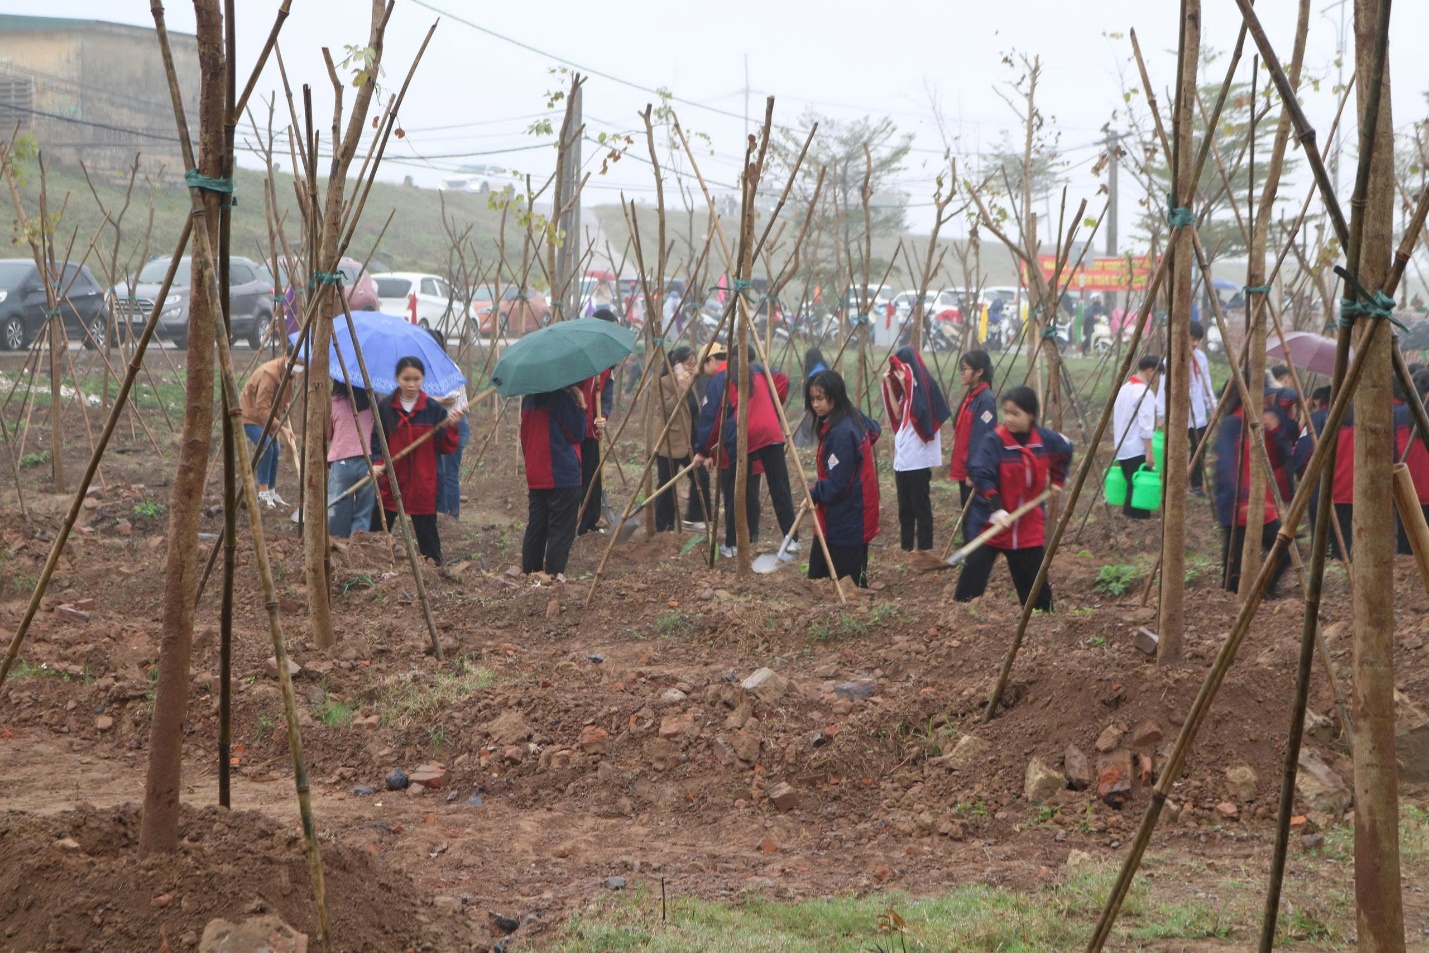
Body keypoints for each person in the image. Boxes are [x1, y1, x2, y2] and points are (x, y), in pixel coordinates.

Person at [955, 386, 1073, 609]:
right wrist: (996, 508)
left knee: (1037, 595)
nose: (1009, 418)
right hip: (989, 525)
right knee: (969, 589)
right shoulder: (994, 442)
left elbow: (1066, 449)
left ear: (1031, 415)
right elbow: (981, 473)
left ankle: (1043, 626)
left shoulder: (1046, 441)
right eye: (1006, 412)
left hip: (1027, 526)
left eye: (1015, 413)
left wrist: (1057, 479)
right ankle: (958, 620)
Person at [693, 345, 795, 558]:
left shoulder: (721, 379)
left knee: (735, 492)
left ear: (713, 361)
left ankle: (731, 545)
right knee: (780, 488)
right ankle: (792, 540)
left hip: (744, 438)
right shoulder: (757, 369)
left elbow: (712, 420)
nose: (705, 373)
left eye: (704, 366)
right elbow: (783, 381)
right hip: (771, 433)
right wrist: (771, 407)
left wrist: (702, 450)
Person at [371, 356, 463, 565]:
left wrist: (452, 427)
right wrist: (377, 465)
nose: (412, 384)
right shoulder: (386, 408)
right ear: (397, 379)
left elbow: (446, 447)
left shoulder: (434, 410)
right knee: (377, 531)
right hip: (393, 480)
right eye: (406, 379)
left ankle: (434, 571)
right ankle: (371, 567)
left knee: (427, 535)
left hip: (423, 482)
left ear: (423, 379)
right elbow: (377, 442)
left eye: (416, 379)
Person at [1213, 384, 1291, 595]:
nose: (1270, 401)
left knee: (1285, 554)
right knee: (1233, 576)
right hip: (1238, 507)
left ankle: (1264, 593)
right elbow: (1227, 465)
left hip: (1264, 506)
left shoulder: (1265, 422)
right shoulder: (1233, 424)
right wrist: (1242, 497)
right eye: (1267, 396)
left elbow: (1281, 459)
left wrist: (1275, 431)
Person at [806, 369, 881, 587]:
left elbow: (838, 484)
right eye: (812, 399)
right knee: (821, 575)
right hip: (845, 512)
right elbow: (874, 429)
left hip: (850, 515)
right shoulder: (850, 415)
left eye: (820, 398)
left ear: (835, 396)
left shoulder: (841, 432)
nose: (815, 405)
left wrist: (814, 493)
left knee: (848, 582)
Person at [882, 346, 949, 551]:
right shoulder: (905, 394)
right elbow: (896, 412)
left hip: (918, 460)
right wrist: (889, 383)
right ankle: (906, 548)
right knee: (905, 508)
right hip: (903, 460)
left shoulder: (924, 393)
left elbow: (919, 411)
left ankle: (925, 549)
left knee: (921, 506)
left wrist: (907, 384)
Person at [520, 384, 588, 577]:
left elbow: (525, 436)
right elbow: (578, 433)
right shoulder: (561, 398)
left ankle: (530, 576)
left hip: (536, 473)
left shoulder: (529, 399)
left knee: (536, 528)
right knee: (560, 531)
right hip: (562, 474)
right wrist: (581, 402)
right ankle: (553, 578)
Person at [646, 346, 711, 532]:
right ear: (676, 364)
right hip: (669, 442)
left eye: (693, 364)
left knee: (701, 478)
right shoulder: (662, 382)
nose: (692, 368)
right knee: (666, 485)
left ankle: (695, 518)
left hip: (691, 442)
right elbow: (667, 410)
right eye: (688, 364)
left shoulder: (695, 382)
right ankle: (664, 526)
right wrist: (681, 389)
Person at [1155, 322, 1216, 498]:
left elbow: (1206, 384)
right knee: (1176, 450)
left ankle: (1196, 485)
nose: (1195, 343)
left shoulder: (1201, 358)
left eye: (1198, 340)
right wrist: (1161, 415)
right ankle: (1173, 484)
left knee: (1200, 448)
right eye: (1192, 338)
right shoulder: (1171, 360)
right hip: (1179, 414)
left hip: (1197, 413)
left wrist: (1212, 406)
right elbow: (1162, 389)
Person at [239, 355, 303, 507]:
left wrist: (285, 405)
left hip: (268, 416)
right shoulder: (269, 374)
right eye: (298, 363)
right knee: (266, 448)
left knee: (275, 449)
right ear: (287, 357)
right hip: (251, 415)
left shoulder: (291, 374)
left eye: (302, 364)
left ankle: (272, 492)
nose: (299, 366)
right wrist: (283, 430)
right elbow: (262, 409)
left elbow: (284, 398)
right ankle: (263, 493)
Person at [575, 308, 617, 535]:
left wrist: (604, 416)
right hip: (575, 426)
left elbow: (607, 394)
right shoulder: (580, 356)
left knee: (594, 474)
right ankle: (576, 519)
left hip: (593, 428)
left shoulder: (606, 364)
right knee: (576, 476)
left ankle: (590, 519)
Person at [426, 328, 470, 520]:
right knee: (439, 474)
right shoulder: (431, 367)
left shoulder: (447, 366)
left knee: (449, 474)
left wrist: (423, 400)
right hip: (442, 426)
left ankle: (452, 517)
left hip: (455, 424)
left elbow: (450, 399)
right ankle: (442, 514)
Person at [1113, 355, 1161, 519]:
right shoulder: (1145, 393)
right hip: (1136, 447)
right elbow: (1146, 426)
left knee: (1131, 485)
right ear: (1149, 371)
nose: (1157, 379)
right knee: (1139, 488)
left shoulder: (1125, 388)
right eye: (1157, 374)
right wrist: (1149, 452)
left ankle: (1131, 521)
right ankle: (1135, 521)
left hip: (1122, 446)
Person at [326, 380, 375, 539]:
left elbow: (327, 434)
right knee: (364, 511)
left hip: (342, 463)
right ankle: (358, 547)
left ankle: (337, 546)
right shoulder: (372, 400)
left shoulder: (333, 403)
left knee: (338, 510)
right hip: (368, 462)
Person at [948, 350, 997, 508]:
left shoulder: (985, 400)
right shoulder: (971, 396)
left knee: (974, 517)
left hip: (974, 471)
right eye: (961, 369)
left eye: (965, 369)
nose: (961, 373)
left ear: (979, 372)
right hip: (964, 466)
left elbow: (982, 437)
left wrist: (974, 470)